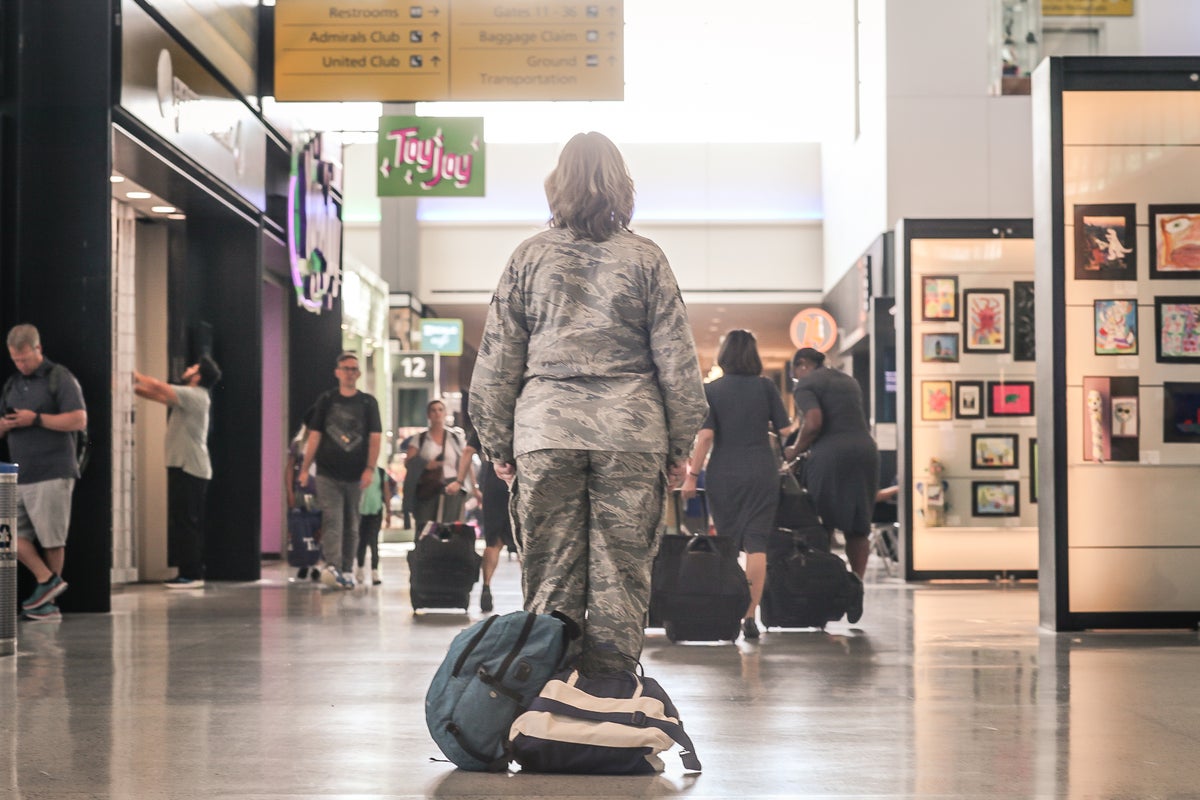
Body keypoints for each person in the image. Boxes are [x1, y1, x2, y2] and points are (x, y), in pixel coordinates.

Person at [470, 131, 708, 675]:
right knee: (621, 579)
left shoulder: (528, 258)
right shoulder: (646, 259)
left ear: (556, 185)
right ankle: (607, 706)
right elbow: (678, 365)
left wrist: (500, 447)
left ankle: (548, 706)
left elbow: (496, 364)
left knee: (550, 575)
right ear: (623, 186)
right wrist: (677, 447)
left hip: (545, 434)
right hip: (631, 435)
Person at [680, 329, 789, 640]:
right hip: (761, 469)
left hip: (724, 472)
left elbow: (706, 436)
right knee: (757, 543)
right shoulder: (766, 387)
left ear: (723, 354)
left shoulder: (711, 390)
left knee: (727, 543)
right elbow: (785, 428)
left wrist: (691, 475)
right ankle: (750, 616)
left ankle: (728, 610)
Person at [0, 324, 87, 620]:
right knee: (9, 534)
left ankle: (48, 603)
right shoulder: (12, 384)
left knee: (52, 538)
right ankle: (46, 581)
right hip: (19, 473)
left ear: (38, 349)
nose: (21, 365)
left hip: (53, 471)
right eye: (15, 360)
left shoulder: (59, 378)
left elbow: (78, 419)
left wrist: (35, 419)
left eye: (24, 358)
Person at [784, 347, 879, 592]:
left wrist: (794, 450)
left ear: (802, 364)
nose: (797, 378)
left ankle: (822, 584)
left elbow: (814, 422)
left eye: (796, 373)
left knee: (821, 524)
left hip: (831, 456)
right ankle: (856, 583)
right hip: (866, 452)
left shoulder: (806, 384)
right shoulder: (849, 381)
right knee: (859, 527)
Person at [134, 355, 222, 588]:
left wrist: (134, 376)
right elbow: (157, 395)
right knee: (183, 520)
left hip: (189, 467)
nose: (188, 368)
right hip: (185, 466)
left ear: (198, 376)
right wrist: (132, 388)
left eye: (193, 367)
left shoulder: (194, 395)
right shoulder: (190, 397)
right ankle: (189, 572)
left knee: (185, 522)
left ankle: (191, 574)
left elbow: (158, 386)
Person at [300, 352, 382, 590]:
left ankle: (347, 568)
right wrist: (305, 468)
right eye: (346, 368)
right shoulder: (326, 400)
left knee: (352, 523)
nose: (350, 373)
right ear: (337, 372)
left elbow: (375, 438)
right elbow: (315, 435)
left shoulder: (368, 403)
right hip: (327, 472)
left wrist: (369, 468)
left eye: (354, 369)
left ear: (358, 373)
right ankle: (333, 567)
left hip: (356, 474)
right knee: (333, 519)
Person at [404, 399, 473, 533]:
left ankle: (446, 553)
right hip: (427, 487)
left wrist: (473, 487)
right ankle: (423, 552)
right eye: (433, 410)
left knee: (450, 528)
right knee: (425, 527)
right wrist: (425, 464)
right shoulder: (420, 438)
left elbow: (466, 461)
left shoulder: (454, 437)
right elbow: (408, 462)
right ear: (428, 415)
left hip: (452, 486)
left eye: (440, 410)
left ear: (445, 413)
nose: (437, 413)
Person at [354, 465, 396, 586]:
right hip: (361, 511)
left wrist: (388, 512)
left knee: (374, 541)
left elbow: (386, 492)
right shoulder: (359, 471)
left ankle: (374, 571)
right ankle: (360, 568)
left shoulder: (381, 473)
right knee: (361, 541)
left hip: (376, 510)